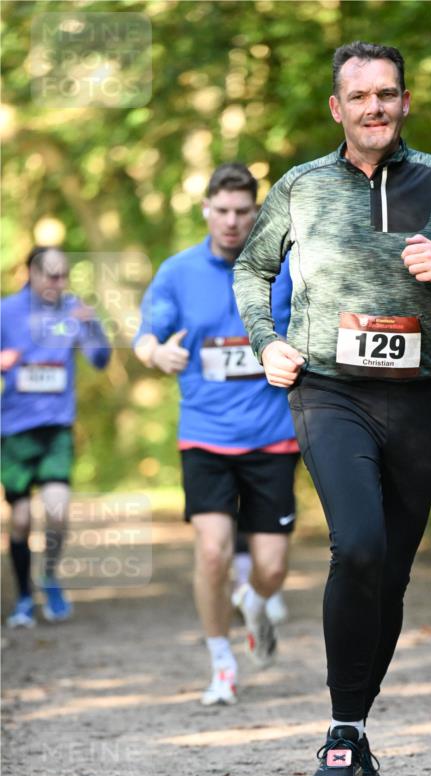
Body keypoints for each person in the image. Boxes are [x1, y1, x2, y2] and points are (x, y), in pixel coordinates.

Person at [234, 42, 431, 776]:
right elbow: (253, 269)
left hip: (418, 398)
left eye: (387, 94)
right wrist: (268, 344)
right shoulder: (302, 187)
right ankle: (338, 732)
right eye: (359, 96)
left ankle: (353, 732)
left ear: (403, 103)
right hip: (329, 391)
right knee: (356, 544)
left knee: (389, 572)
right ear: (337, 108)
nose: (374, 107)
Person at [134, 163, 298, 708]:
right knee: (211, 553)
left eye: (242, 212)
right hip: (204, 435)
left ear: (256, 213)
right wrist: (157, 353)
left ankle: (253, 602)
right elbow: (145, 338)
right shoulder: (177, 272)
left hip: (272, 437)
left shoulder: (284, 268)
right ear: (206, 209)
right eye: (222, 211)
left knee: (272, 568)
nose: (231, 222)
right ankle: (222, 664)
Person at [1, 246, 111, 627]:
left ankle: (48, 576)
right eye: (49, 274)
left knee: (57, 511)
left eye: (62, 275)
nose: (56, 282)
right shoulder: (6, 312)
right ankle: (23, 599)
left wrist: (93, 325)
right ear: (29, 273)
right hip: (15, 430)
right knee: (18, 520)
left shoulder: (73, 309)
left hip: (57, 429)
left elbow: (99, 360)